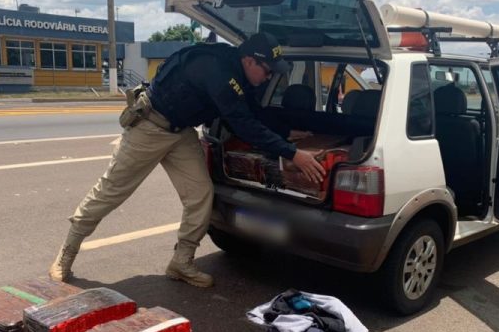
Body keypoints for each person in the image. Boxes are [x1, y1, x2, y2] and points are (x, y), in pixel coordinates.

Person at [49, 32, 326, 288]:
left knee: (200, 194)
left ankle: (181, 262)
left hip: (180, 132)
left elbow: (252, 111)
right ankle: (66, 254)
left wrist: (286, 133)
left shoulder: (238, 72)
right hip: (150, 127)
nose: (268, 78)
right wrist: (291, 153)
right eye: (267, 71)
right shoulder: (216, 70)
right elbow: (242, 124)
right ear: (249, 60)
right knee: (111, 191)